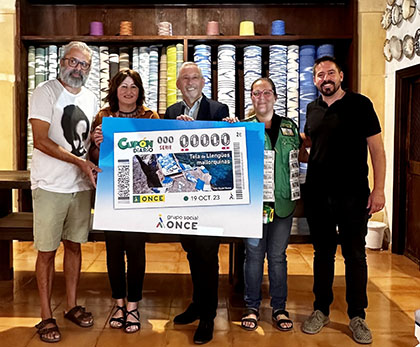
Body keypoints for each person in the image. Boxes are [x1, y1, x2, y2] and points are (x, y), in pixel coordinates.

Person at [301, 56, 386, 344]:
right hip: (317, 195)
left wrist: (379, 190)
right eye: (319, 74)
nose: (325, 78)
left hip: (353, 195)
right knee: (322, 254)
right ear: (314, 80)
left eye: (330, 73)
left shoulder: (361, 105)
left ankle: (357, 316)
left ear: (341, 75)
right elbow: (311, 146)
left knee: (355, 255)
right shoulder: (312, 109)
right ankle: (320, 310)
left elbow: (377, 150)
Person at [29, 41, 101, 343]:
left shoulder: (91, 97)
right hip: (50, 184)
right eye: (73, 62)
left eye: (84, 64)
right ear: (62, 62)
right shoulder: (45, 92)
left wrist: (97, 142)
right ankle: (46, 315)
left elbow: (89, 142)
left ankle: (71, 305)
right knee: (46, 251)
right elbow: (40, 140)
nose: (78, 68)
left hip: (80, 186)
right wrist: (80, 162)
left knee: (74, 246)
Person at [225, 78, 300, 332]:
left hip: (282, 204)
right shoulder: (243, 127)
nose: (262, 97)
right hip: (254, 205)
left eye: (267, 92)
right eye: (257, 93)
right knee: (254, 256)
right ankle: (251, 307)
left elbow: (303, 154)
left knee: (278, 257)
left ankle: (279, 307)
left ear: (275, 97)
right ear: (251, 98)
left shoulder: (290, 127)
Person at [90, 69, 160, 334]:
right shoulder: (103, 116)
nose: (129, 91)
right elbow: (95, 157)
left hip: (140, 191)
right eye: (123, 86)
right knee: (113, 249)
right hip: (110, 191)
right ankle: (118, 302)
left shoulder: (150, 116)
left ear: (140, 90)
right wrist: (97, 143)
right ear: (115, 90)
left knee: (135, 248)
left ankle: (133, 305)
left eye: (133, 86)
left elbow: (158, 151)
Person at [164, 62, 229, 344]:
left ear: (203, 82)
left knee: (207, 253)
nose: (190, 82)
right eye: (185, 78)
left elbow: (222, 150)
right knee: (191, 250)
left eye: (195, 77)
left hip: (208, 196)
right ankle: (197, 303)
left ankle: (208, 316)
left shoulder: (218, 110)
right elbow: (165, 150)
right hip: (182, 195)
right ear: (178, 85)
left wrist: (226, 128)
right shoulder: (170, 112)